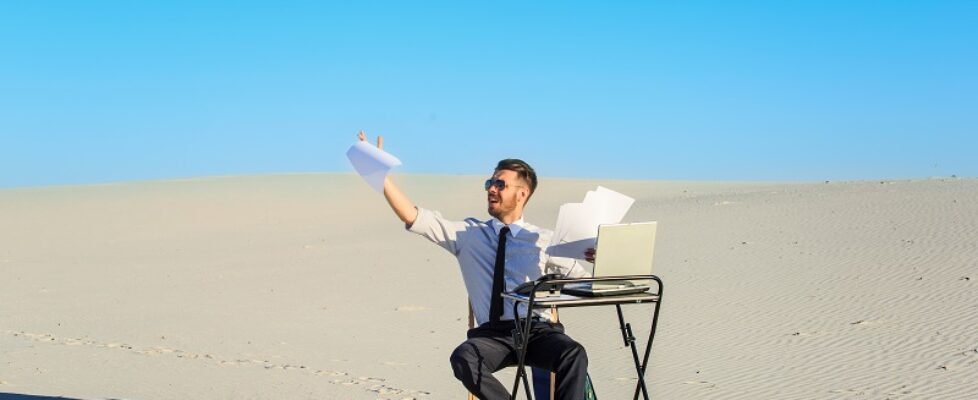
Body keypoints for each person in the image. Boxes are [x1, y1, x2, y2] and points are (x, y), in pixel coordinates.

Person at [357, 131, 594, 399]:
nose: (491, 188)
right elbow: (414, 216)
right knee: (464, 357)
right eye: (490, 182)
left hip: (536, 332)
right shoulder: (468, 235)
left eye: (500, 184)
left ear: (522, 194)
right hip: (492, 336)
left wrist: (597, 256)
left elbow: (585, 283)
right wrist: (380, 176)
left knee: (573, 354)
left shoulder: (544, 239)